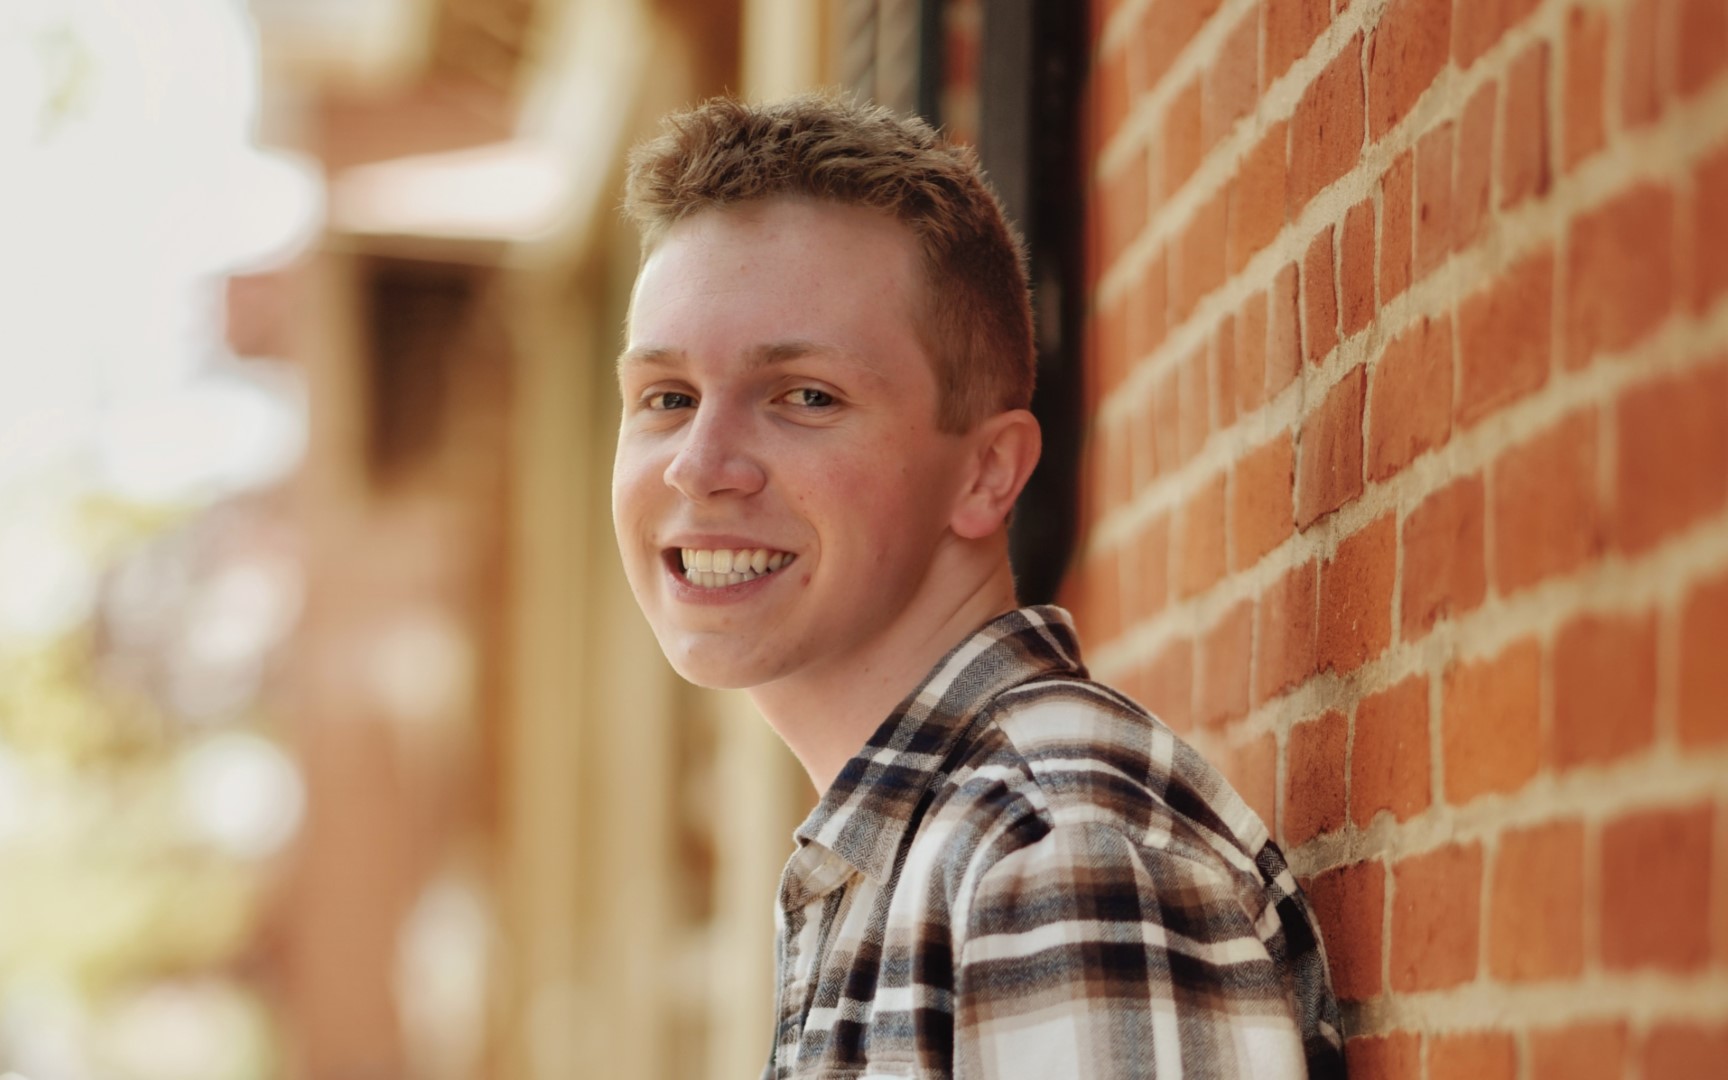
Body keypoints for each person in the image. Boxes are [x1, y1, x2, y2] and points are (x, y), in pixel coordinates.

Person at [610, 93, 1346, 1079]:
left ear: (986, 473)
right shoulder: (907, 854)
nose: (699, 466)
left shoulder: (1052, 858)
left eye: (806, 397)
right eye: (667, 397)